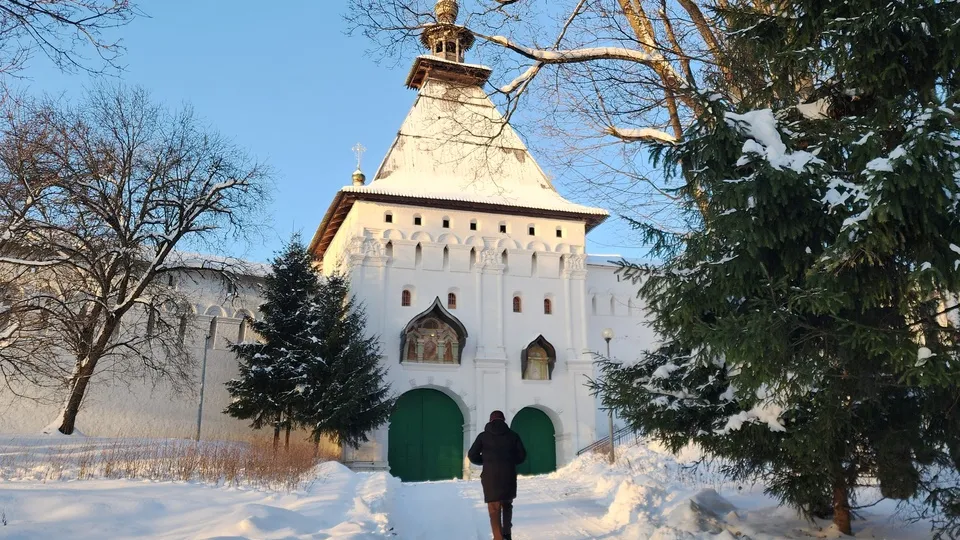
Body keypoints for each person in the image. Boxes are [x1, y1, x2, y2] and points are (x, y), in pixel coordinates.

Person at [468, 410, 527, 540]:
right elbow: (522, 455)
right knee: (507, 504)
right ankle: (507, 534)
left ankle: (498, 537)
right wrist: (511, 462)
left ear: (490, 420)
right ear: (504, 420)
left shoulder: (483, 436)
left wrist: (484, 461)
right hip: (508, 475)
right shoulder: (513, 435)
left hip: (490, 477)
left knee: (494, 508)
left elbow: (472, 454)